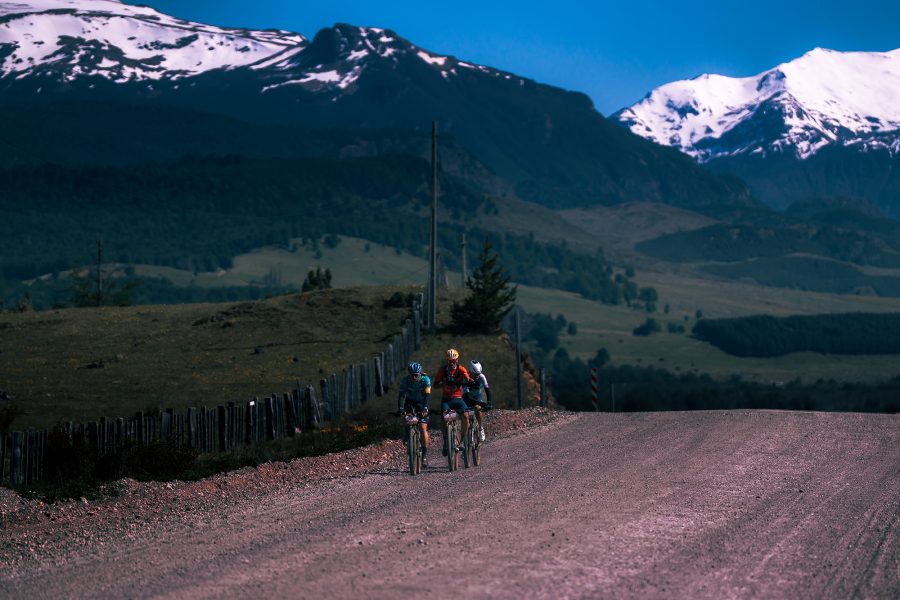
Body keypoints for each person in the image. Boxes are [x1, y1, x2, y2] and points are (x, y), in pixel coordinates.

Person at [433, 348, 471, 456]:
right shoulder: (442, 370)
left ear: (457, 360)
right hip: (446, 399)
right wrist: (443, 383)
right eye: (450, 361)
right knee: (444, 419)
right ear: (447, 361)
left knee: (465, 416)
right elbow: (435, 385)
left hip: (458, 398)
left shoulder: (461, 369)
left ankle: (462, 440)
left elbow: (468, 380)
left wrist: (472, 382)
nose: (452, 363)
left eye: (454, 360)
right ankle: (446, 442)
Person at [398, 361, 431, 467]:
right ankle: (406, 434)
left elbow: (427, 395)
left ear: (420, 373)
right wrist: (401, 408)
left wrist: (425, 407)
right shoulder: (404, 381)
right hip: (409, 402)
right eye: (412, 375)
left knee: (422, 427)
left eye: (416, 375)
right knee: (405, 416)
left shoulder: (425, 379)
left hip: (421, 403)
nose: (414, 377)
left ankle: (424, 456)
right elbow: (402, 396)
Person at [463, 359, 492, 442]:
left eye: (478, 374)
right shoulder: (466, 378)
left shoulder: (482, 377)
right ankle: (468, 430)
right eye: (475, 375)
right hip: (467, 396)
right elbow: (467, 397)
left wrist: (489, 402)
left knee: (477, 408)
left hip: (477, 396)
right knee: (466, 413)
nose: (477, 376)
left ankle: (480, 427)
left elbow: (487, 390)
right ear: (470, 372)